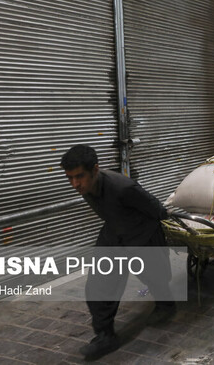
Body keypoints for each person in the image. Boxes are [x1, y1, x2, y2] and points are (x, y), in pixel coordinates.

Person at [60, 145, 175, 360]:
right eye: (70, 178)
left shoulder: (123, 187)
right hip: (114, 233)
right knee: (98, 283)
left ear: (95, 169)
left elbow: (156, 209)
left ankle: (166, 305)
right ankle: (105, 336)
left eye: (79, 177)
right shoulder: (86, 187)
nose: (75, 184)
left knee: (154, 276)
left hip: (142, 234)